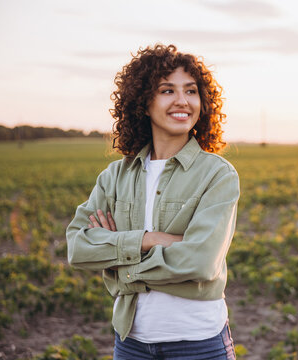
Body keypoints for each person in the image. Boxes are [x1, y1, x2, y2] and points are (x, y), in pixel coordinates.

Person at [66, 44, 239, 359]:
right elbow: (78, 248)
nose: (182, 101)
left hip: (198, 343)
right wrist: (151, 240)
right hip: (131, 342)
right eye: (167, 90)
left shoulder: (218, 175)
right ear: (143, 103)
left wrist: (120, 264)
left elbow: (199, 261)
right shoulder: (115, 176)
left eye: (191, 91)